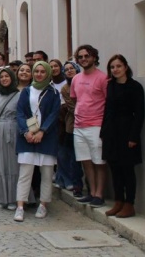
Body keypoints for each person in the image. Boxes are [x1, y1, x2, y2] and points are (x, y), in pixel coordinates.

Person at [13, 61, 60, 222]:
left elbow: (54, 114)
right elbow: (20, 112)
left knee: (46, 173)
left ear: (47, 73)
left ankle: (43, 204)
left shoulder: (53, 92)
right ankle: (20, 206)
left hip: (46, 138)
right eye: (37, 71)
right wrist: (25, 132)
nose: (39, 74)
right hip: (27, 137)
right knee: (25, 173)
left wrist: (43, 131)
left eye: (42, 72)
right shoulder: (26, 91)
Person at [101, 55, 145, 218]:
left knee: (127, 168)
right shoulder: (110, 86)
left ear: (126, 67)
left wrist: (133, 136)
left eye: (118, 66)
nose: (115, 69)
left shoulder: (135, 87)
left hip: (127, 131)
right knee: (115, 168)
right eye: (112, 67)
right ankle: (118, 200)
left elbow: (139, 114)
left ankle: (129, 203)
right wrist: (103, 133)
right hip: (111, 132)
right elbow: (107, 110)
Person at [71, 44, 108, 208]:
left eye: (87, 56)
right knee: (85, 161)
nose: (83, 59)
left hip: (96, 124)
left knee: (99, 161)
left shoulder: (102, 78)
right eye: (80, 57)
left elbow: (108, 102)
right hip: (79, 126)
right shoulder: (76, 79)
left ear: (94, 57)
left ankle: (100, 194)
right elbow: (75, 99)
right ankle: (91, 192)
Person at [0, 68, 21, 210]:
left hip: (13, 129)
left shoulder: (20, 95)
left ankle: (14, 198)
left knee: (13, 163)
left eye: (7, 76)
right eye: (1, 77)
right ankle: (0, 197)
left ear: (12, 78)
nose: (4, 79)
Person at [57, 61, 84, 198]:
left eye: (71, 68)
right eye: (66, 69)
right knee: (73, 158)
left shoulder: (85, 83)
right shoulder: (65, 89)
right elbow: (72, 107)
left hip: (89, 123)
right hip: (72, 126)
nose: (69, 71)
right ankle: (76, 184)